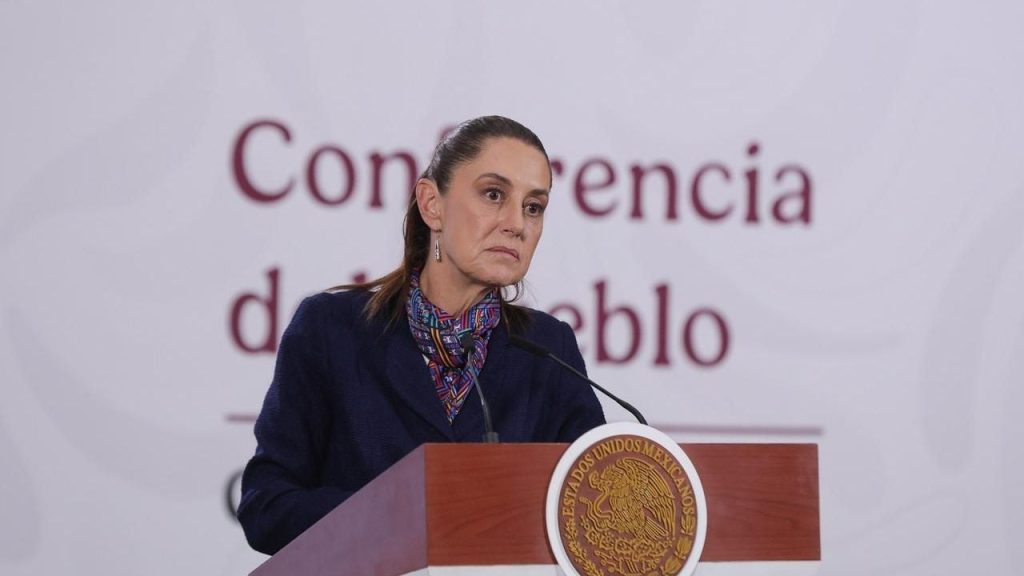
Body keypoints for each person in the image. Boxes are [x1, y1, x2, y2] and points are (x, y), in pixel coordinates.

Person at [237, 115, 606, 555]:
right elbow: (266, 506)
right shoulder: (330, 329)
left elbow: (593, 512)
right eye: (493, 194)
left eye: (533, 207)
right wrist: (400, 518)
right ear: (432, 204)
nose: (517, 224)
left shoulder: (548, 350)